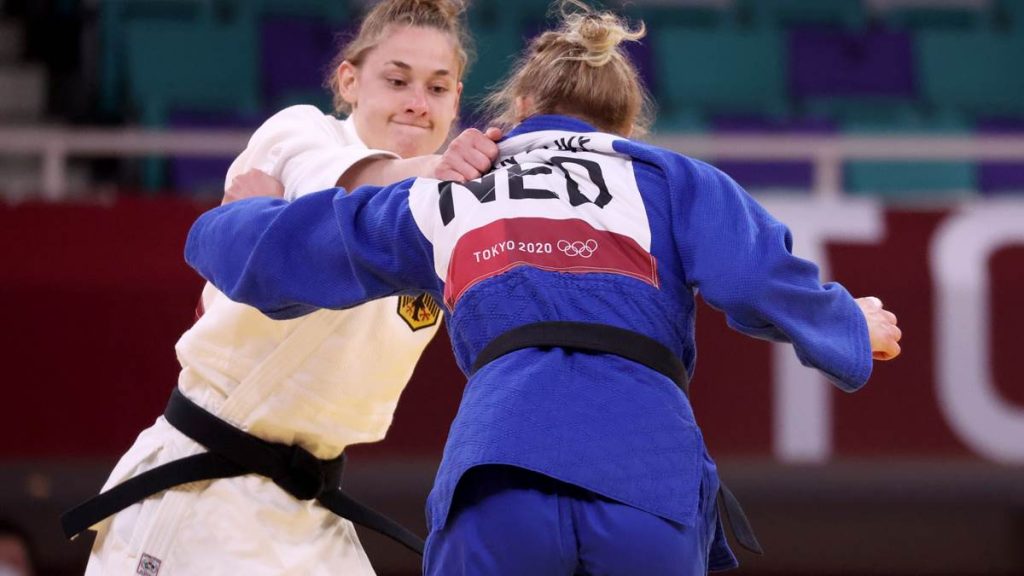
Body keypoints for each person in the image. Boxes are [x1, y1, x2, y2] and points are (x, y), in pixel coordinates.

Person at [184, 1, 903, 574]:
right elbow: (754, 280)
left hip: (496, 472)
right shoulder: (670, 177)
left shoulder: (458, 187)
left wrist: (231, 221)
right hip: (646, 477)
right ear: (627, 121)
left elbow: (301, 247)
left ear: (518, 106)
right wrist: (847, 327)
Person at [67, 1, 501, 575]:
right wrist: (438, 169)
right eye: (396, 81)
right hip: (204, 490)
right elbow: (346, 197)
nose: (418, 103)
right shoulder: (300, 133)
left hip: (310, 507)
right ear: (349, 80)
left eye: (438, 88)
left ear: (456, 98)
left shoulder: (442, 215)